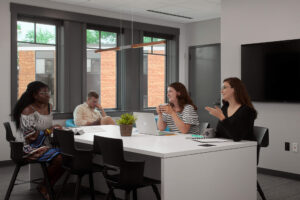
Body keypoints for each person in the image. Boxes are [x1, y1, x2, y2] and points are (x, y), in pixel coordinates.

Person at [12, 81, 64, 200]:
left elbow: (47, 127)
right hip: (28, 147)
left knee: (67, 157)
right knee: (60, 159)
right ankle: (45, 186)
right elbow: (29, 137)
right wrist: (49, 130)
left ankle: (46, 185)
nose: (48, 95)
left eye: (48, 92)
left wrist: (54, 128)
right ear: (35, 95)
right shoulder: (27, 110)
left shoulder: (49, 106)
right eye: (43, 93)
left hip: (44, 144)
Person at [205, 77, 257, 141]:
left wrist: (221, 117)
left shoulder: (247, 111)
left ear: (234, 89)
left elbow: (237, 137)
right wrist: (210, 133)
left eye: (224, 88)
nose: (221, 91)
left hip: (244, 148)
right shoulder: (225, 108)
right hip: (228, 146)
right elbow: (221, 133)